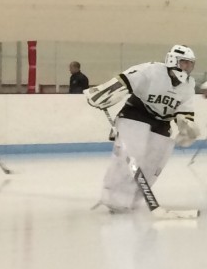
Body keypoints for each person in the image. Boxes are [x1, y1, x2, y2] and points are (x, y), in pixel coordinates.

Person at [85, 45, 200, 213]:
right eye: (184, 63)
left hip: (162, 123)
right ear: (172, 60)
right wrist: (103, 92)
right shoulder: (151, 70)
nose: (187, 68)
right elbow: (125, 80)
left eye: (190, 64)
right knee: (131, 154)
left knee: (153, 164)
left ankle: (132, 199)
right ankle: (114, 199)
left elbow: (184, 109)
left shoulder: (189, 84)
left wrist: (186, 126)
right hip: (136, 114)